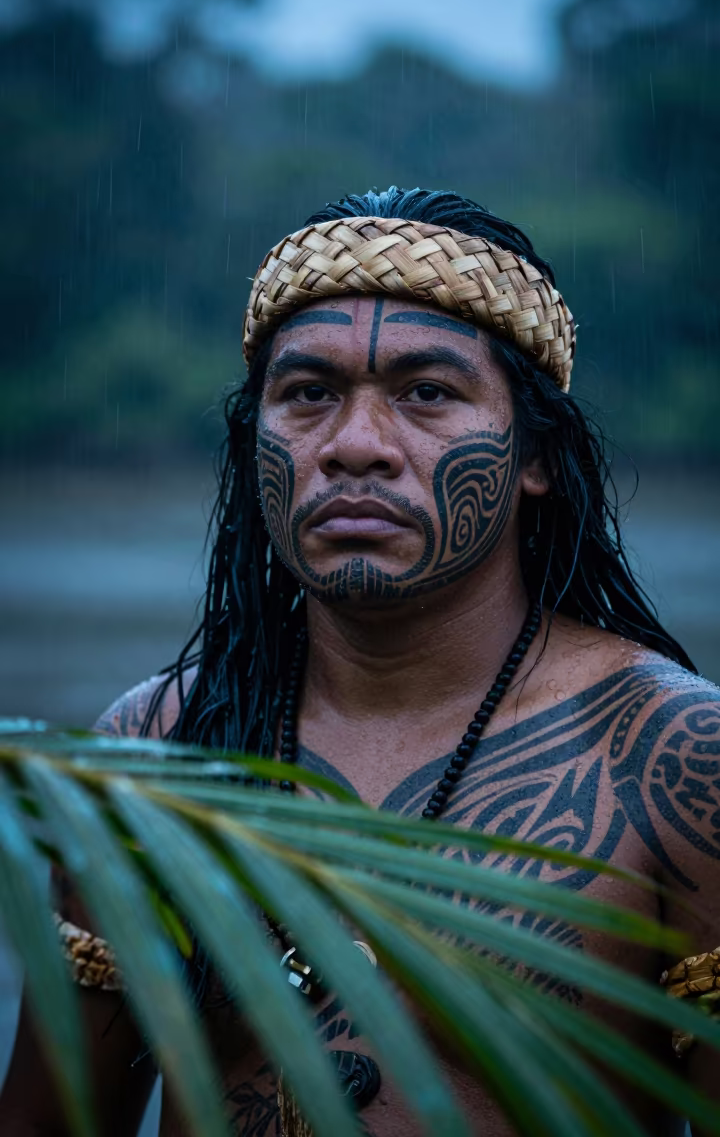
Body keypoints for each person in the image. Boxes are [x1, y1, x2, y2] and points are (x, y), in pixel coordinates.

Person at [2, 186, 719, 1137]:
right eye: (308, 395)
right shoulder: (159, 747)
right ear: (255, 442)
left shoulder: (672, 756)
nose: (356, 447)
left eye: (427, 393)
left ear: (536, 455)